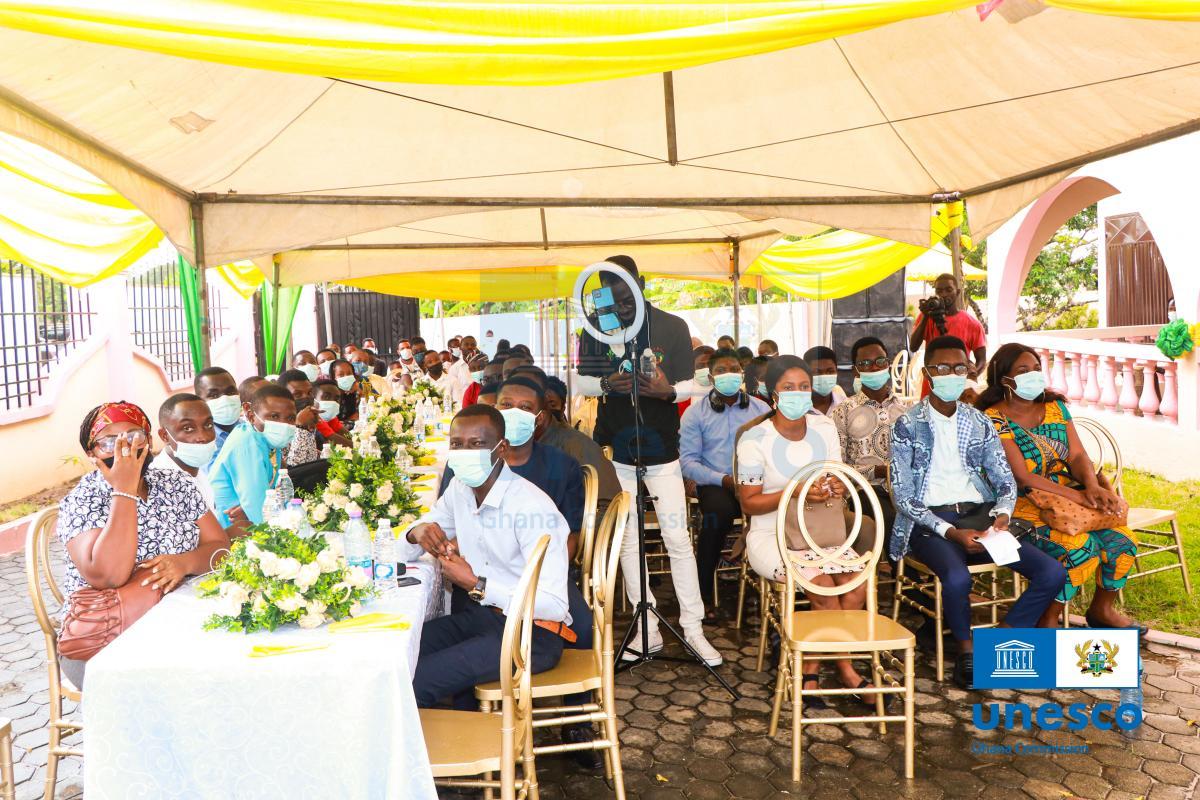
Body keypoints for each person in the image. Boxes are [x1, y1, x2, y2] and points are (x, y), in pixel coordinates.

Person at [889, 336, 1067, 689]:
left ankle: (999, 641)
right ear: (928, 373)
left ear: (969, 371)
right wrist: (949, 532)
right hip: (931, 524)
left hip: (979, 518)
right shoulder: (907, 425)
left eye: (960, 368)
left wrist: (1002, 515)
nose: (951, 375)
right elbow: (903, 497)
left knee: (1052, 572)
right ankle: (967, 652)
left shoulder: (979, 421)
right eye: (942, 368)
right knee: (957, 579)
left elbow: (1005, 480)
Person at [575, 255, 721, 665]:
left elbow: (694, 384)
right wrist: (607, 383)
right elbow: (581, 380)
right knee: (627, 540)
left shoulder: (671, 325)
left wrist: (666, 391)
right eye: (610, 298)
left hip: (663, 451)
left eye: (626, 297)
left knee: (677, 539)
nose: (619, 307)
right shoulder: (595, 329)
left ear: (641, 284)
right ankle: (647, 630)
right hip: (616, 450)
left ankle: (693, 629)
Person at [401, 404, 572, 709]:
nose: (464, 453)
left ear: (501, 449)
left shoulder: (531, 507)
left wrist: (476, 584)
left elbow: (554, 605)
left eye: (477, 444)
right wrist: (417, 531)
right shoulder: (461, 489)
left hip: (532, 633)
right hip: (485, 617)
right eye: (457, 444)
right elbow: (411, 543)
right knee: (401, 652)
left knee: (416, 682)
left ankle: (445, 738)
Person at [57, 402, 230, 687]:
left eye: (133, 436)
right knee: (182, 684)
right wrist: (124, 490)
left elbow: (221, 549)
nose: (124, 448)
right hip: (105, 640)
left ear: (148, 441)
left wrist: (184, 562)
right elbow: (109, 576)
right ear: (91, 453)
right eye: (109, 442)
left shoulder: (175, 484)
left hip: (180, 622)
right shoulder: (83, 500)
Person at [736, 356, 876, 703]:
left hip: (821, 530)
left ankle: (819, 667)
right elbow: (748, 503)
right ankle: (836, 671)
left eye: (804, 387)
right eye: (789, 388)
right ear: (773, 393)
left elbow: (836, 475)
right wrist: (795, 490)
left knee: (855, 586)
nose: (798, 394)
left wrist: (838, 485)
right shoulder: (754, 439)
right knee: (824, 589)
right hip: (772, 535)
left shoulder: (823, 428)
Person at [976, 343, 1142, 631]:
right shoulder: (993, 418)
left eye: (1036, 369)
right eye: (1023, 370)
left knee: (1123, 541)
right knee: (1081, 549)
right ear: (1004, 380)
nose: (1033, 375)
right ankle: (1048, 617)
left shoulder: (1055, 408)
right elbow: (1023, 476)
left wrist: (1092, 486)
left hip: (1069, 503)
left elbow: (1077, 454)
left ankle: (1102, 610)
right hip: (1023, 508)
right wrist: (1078, 495)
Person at [680, 348, 770, 617]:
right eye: (721, 370)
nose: (728, 374)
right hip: (717, 483)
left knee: (774, 513)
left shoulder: (762, 409)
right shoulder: (695, 414)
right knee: (717, 516)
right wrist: (725, 480)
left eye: (734, 369)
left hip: (757, 481)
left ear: (742, 374)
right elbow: (688, 462)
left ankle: (768, 586)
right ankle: (703, 594)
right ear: (710, 377)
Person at [829, 337, 911, 539]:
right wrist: (878, 470)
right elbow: (837, 468)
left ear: (888, 364)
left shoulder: (906, 410)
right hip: (865, 490)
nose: (874, 368)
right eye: (865, 363)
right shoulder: (843, 412)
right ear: (856, 371)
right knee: (891, 522)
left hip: (907, 489)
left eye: (880, 361)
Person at [209, 384, 298, 527]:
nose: (284, 424)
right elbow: (257, 505)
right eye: (274, 416)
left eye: (290, 418)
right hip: (234, 529)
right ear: (251, 416)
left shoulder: (267, 439)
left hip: (253, 522)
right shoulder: (246, 443)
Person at [909, 273, 986, 378]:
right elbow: (913, 347)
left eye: (949, 290)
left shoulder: (973, 324)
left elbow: (982, 361)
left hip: (960, 383)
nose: (944, 294)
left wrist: (969, 378)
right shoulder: (926, 317)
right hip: (931, 384)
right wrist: (926, 316)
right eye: (939, 291)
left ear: (957, 292)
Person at [151, 393, 218, 511]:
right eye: (188, 428)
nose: (202, 437)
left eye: (208, 425)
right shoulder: (160, 484)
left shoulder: (195, 469)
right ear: (165, 436)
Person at [194, 367, 241, 459]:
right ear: (199, 401)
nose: (225, 399)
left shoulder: (248, 427)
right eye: (214, 395)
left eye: (231, 392)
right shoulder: (201, 443)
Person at [276, 370, 321, 466]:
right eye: (297, 395)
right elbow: (293, 468)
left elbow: (309, 459)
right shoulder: (277, 427)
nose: (306, 398)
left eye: (309, 392)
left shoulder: (303, 418)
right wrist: (301, 427)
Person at [803, 346, 845, 416]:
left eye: (830, 371)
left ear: (837, 371)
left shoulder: (846, 405)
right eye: (817, 372)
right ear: (806, 374)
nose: (824, 377)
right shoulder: (798, 409)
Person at [313, 379, 352, 448]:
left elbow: (345, 434)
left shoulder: (330, 417)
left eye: (336, 399)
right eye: (326, 397)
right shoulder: (313, 417)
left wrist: (355, 440)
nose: (332, 402)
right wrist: (358, 445)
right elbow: (333, 437)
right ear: (313, 398)